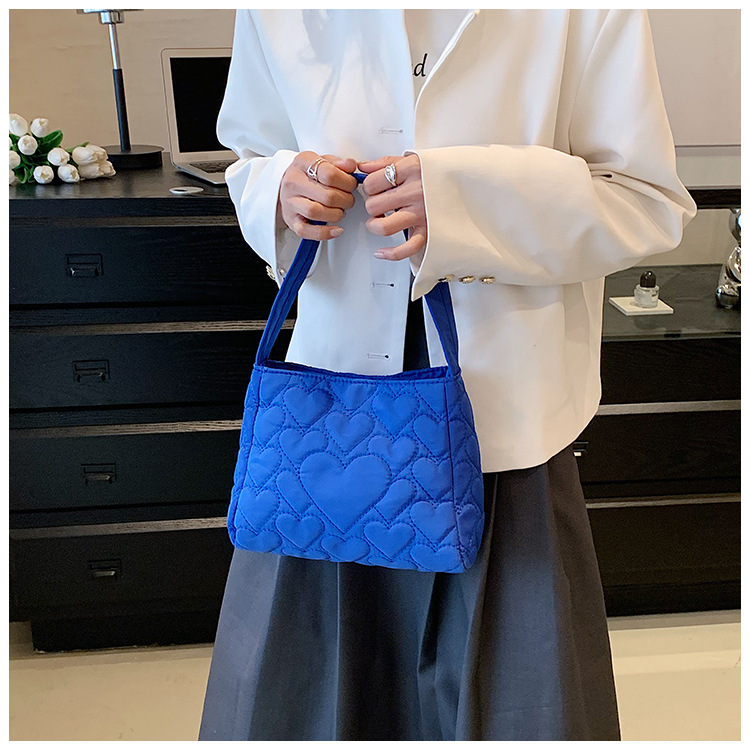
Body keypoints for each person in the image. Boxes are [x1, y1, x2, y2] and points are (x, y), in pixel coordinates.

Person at [198, 9, 696, 741]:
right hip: (327, 435)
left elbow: (647, 200)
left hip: (504, 435)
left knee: (513, 701)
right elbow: (249, 154)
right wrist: (278, 190)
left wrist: (466, 199)